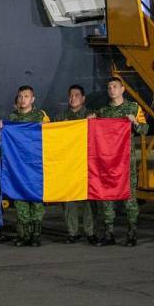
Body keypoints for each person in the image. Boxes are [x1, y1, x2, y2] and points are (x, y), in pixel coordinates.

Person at [95, 77, 149, 247]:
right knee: (107, 196)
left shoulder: (132, 108)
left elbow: (145, 130)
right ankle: (109, 233)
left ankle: (132, 232)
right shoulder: (102, 112)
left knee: (128, 195)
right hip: (106, 161)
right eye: (109, 87)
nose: (111, 90)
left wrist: (135, 123)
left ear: (122, 89)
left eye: (115, 86)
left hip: (126, 161)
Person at [5, 85, 50, 247]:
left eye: (26, 96)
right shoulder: (12, 117)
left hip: (36, 165)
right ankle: (24, 235)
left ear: (33, 99)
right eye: (20, 96)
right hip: (18, 165)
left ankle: (36, 234)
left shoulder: (40, 116)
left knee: (36, 200)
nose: (22, 99)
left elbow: (49, 136)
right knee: (20, 198)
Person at [54, 85, 98, 245]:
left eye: (77, 95)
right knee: (69, 199)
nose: (73, 98)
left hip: (86, 163)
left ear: (83, 98)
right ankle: (72, 232)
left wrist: (92, 123)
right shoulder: (60, 118)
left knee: (88, 199)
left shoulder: (91, 115)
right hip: (67, 164)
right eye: (71, 95)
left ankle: (91, 232)